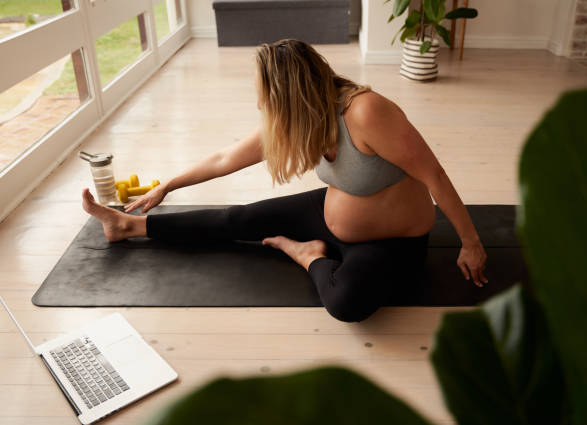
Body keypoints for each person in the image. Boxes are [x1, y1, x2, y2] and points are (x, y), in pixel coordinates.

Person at [82, 39, 488, 322]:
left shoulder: (366, 112)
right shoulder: (300, 117)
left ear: (289, 92)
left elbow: (433, 173)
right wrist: (167, 185)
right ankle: (129, 225)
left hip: (391, 242)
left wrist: (470, 242)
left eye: (265, 93)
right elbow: (226, 158)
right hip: (327, 214)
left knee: (346, 304)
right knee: (238, 219)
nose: (260, 102)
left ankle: (307, 254)